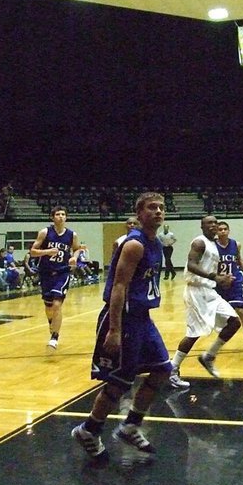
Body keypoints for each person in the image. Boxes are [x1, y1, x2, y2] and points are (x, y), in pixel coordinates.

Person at [72, 192, 171, 462]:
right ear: (139, 214)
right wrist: (114, 330)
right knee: (119, 382)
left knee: (163, 369)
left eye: (161, 207)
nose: (159, 211)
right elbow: (118, 287)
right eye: (152, 207)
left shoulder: (156, 244)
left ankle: (130, 424)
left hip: (142, 318)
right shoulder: (134, 245)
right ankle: (89, 430)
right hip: (123, 319)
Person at [169, 215, 241, 389]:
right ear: (202, 227)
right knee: (194, 333)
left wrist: (222, 278)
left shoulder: (213, 245)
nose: (213, 225)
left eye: (215, 222)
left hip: (209, 291)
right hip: (195, 291)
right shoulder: (199, 243)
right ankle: (172, 369)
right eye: (209, 223)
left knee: (234, 322)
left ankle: (208, 356)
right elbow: (191, 265)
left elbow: (210, 269)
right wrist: (214, 277)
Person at [30, 206, 80, 351]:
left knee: (57, 304)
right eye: (57, 214)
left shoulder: (72, 235)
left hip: (62, 272)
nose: (60, 216)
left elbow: (77, 249)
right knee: (49, 306)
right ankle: (53, 325)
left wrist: (74, 258)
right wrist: (47, 252)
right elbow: (33, 252)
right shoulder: (45, 232)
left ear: (66, 217)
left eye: (63, 214)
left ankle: (54, 337)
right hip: (46, 272)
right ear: (52, 217)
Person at [215, 220, 243, 352]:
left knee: (240, 310)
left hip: (236, 281)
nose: (222, 231)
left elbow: (239, 259)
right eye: (220, 229)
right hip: (219, 283)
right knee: (219, 312)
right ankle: (222, 333)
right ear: (216, 232)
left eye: (225, 229)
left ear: (228, 231)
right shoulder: (212, 246)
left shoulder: (236, 244)